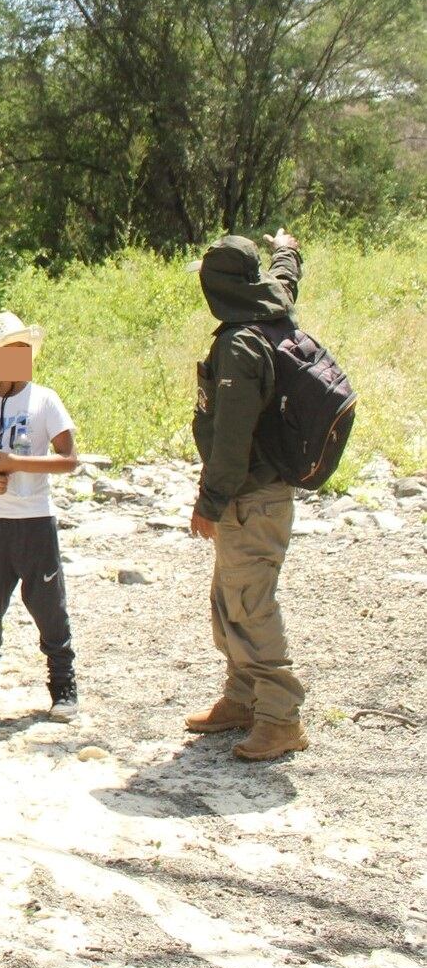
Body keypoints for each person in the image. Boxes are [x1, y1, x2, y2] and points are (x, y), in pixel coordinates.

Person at [184, 229, 309, 761]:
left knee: (250, 605)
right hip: (256, 492)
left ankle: (280, 718)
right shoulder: (270, 302)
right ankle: (242, 698)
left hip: (249, 496)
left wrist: (209, 504)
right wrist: (287, 248)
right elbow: (286, 277)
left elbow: (231, 443)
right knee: (229, 598)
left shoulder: (239, 345)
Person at [0, 312, 80, 721]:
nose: (20, 357)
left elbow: (68, 459)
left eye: (25, 350)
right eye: (11, 350)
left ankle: (63, 684)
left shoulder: (45, 399)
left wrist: (17, 463)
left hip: (34, 520)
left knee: (47, 603)